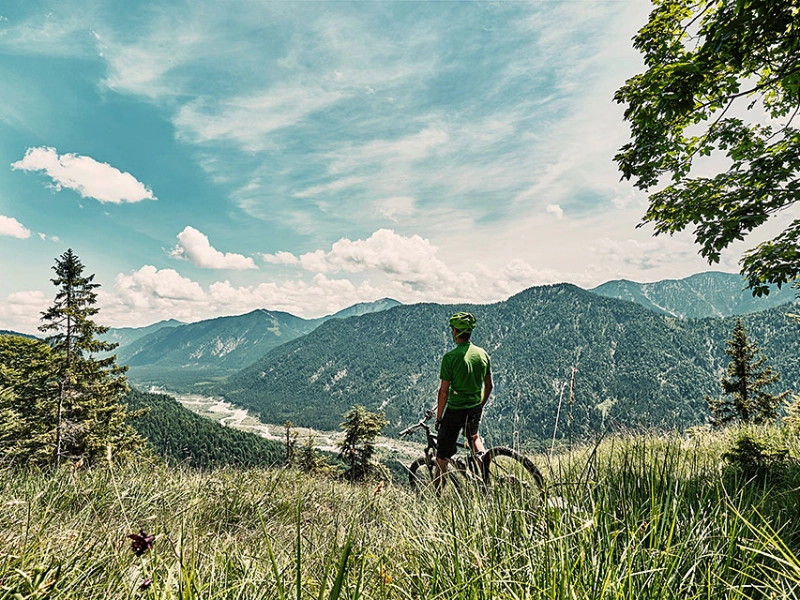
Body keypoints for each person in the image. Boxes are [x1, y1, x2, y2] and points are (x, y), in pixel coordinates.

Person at [434, 311, 493, 488]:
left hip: (455, 411)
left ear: (456, 332)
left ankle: (437, 495)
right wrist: (479, 405)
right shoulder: (482, 354)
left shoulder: (450, 358)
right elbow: (489, 386)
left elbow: (443, 393)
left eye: (452, 329)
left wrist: (439, 418)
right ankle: (485, 476)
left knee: (441, 457)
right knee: (474, 437)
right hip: (474, 408)